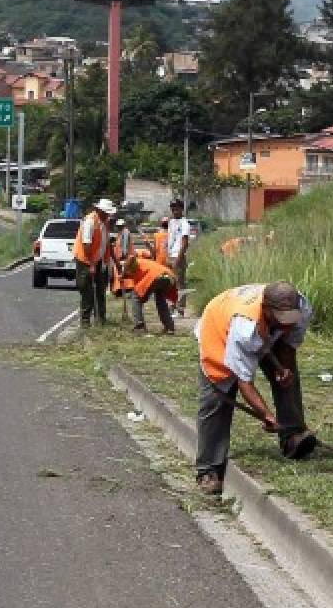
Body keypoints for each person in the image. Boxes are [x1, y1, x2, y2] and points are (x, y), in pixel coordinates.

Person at [194, 282, 317, 495]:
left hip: (265, 328)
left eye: (291, 320)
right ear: (267, 309)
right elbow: (244, 381)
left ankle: (292, 437)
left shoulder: (302, 307)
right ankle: (209, 469)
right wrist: (266, 415)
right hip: (220, 327)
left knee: (288, 378)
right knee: (218, 396)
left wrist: (283, 369)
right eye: (282, 320)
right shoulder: (244, 328)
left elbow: (289, 345)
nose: (288, 325)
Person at [74, 198, 117, 327]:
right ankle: (85, 322)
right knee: (87, 291)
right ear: (99, 210)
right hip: (86, 261)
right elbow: (86, 244)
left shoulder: (105, 223)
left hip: (98, 261)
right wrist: (91, 264)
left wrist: (109, 262)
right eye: (106, 212)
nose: (108, 215)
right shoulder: (90, 221)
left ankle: (101, 319)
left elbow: (106, 244)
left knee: (101, 289)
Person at [120, 254, 177, 334]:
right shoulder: (143, 263)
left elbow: (140, 291)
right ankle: (169, 327)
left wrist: (123, 274)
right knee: (160, 300)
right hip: (169, 276)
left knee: (136, 296)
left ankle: (139, 326)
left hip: (156, 276)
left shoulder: (136, 265)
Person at [166, 199, 192, 316]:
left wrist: (178, 259)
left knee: (180, 283)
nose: (174, 211)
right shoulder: (171, 222)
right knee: (171, 282)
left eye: (177, 209)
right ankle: (172, 305)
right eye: (173, 209)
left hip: (179, 256)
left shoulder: (184, 223)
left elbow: (185, 243)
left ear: (182, 209)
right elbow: (170, 239)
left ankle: (180, 308)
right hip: (171, 255)